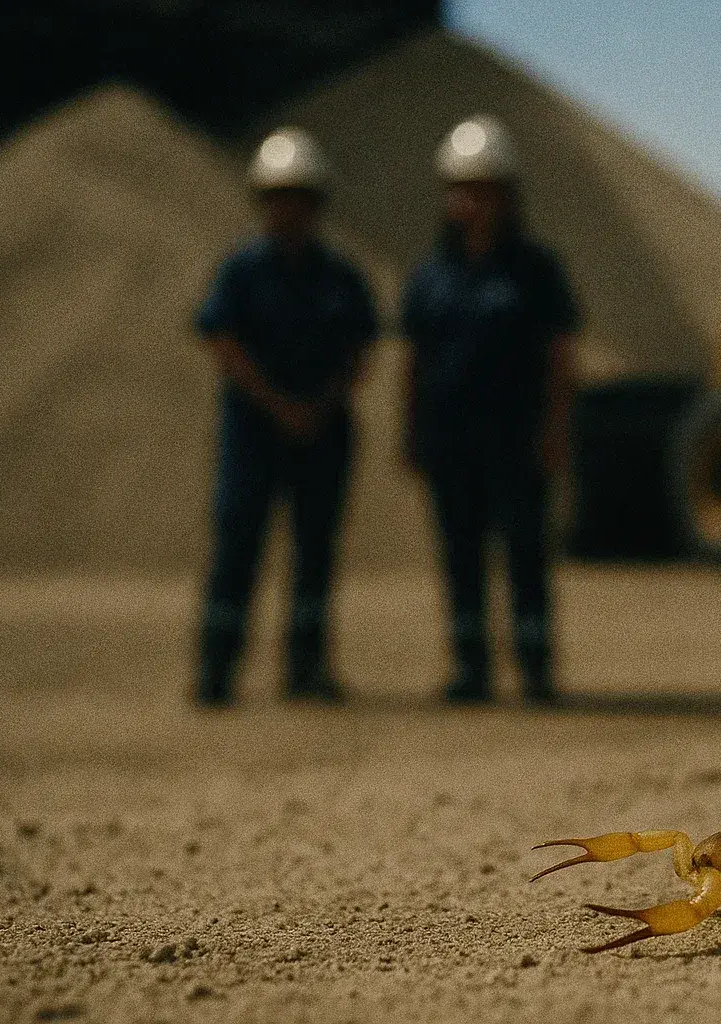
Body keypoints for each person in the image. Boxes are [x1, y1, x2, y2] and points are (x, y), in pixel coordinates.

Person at [192, 127, 379, 707]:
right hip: (254, 432)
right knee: (237, 544)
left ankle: (306, 666)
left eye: (299, 195)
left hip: (323, 433)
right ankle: (217, 668)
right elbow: (221, 340)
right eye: (277, 195)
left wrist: (318, 406)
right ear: (261, 200)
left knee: (315, 551)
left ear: (317, 201)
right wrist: (277, 404)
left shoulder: (340, 277)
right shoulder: (241, 272)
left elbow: (360, 350)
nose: (288, 207)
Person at [401, 115, 580, 705]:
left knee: (526, 553)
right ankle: (470, 670)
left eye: (485, 189)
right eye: (463, 189)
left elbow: (559, 355)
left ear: (508, 194)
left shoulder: (537, 271)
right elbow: (414, 359)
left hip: (517, 439)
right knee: (460, 557)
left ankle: (535, 670)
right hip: (452, 440)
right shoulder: (429, 276)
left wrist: (556, 429)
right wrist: (411, 433)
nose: (473, 201)